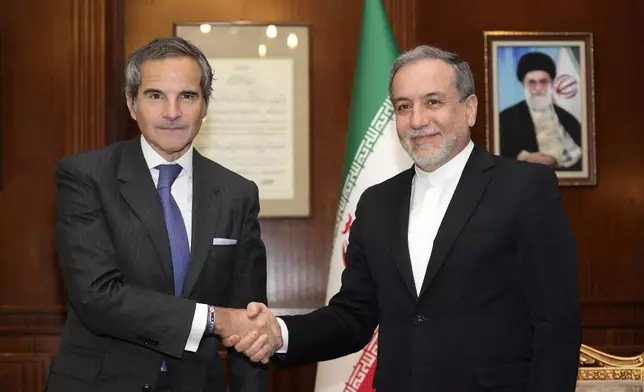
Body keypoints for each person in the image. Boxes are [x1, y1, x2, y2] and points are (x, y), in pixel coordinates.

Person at [226, 45, 582, 391]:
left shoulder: (524, 187)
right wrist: (281, 334)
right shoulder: (377, 202)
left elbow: (556, 323)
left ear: (469, 109)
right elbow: (354, 315)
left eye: (433, 102)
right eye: (403, 106)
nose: (417, 120)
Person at [46, 36, 280, 392]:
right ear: (131, 103)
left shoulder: (237, 193)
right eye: (156, 96)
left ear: (204, 106)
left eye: (187, 96)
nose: (172, 112)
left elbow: (248, 324)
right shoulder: (85, 176)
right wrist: (214, 319)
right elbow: (97, 296)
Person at [499, 51, 582, 171]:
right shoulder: (506, 118)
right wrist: (525, 158)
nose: (538, 88)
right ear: (523, 84)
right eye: (532, 82)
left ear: (551, 83)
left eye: (543, 82)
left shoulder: (566, 118)